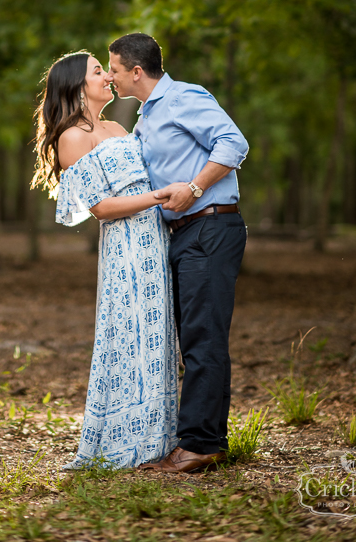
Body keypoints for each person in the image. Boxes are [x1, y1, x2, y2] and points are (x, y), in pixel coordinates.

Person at [107, 33, 249, 474]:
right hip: (184, 234)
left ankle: (200, 445)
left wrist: (194, 187)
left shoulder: (185, 97)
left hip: (210, 226)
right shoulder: (146, 117)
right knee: (195, 336)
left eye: (113, 69)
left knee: (203, 337)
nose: (109, 77)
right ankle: (206, 439)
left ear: (135, 71)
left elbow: (234, 143)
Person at [32, 50, 179, 469]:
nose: (108, 77)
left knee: (158, 336)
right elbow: (99, 206)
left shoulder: (117, 125)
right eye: (99, 71)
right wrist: (157, 197)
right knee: (128, 334)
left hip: (158, 239)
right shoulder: (73, 136)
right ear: (78, 85)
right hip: (126, 247)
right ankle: (121, 441)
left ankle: (159, 436)